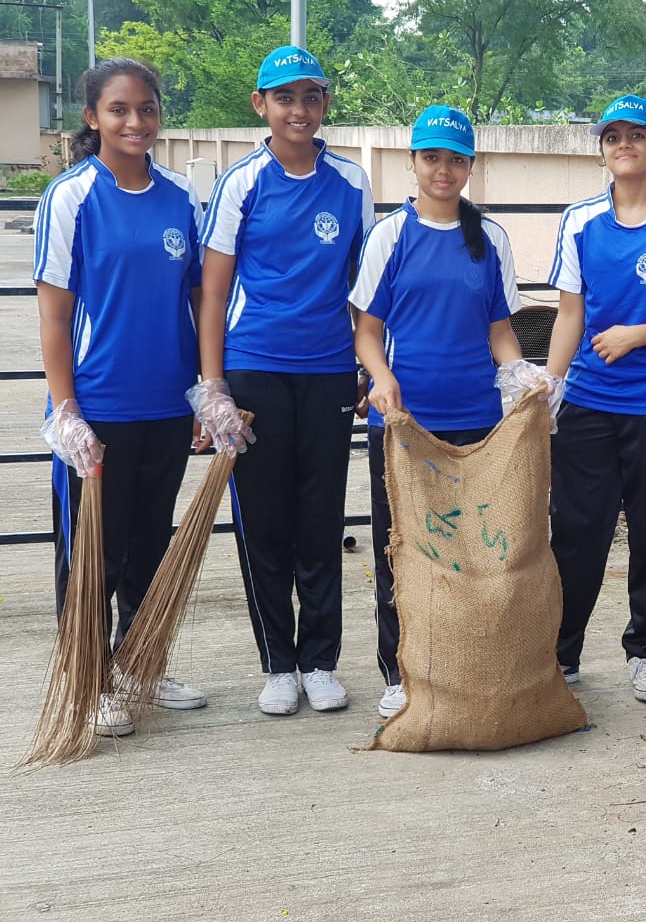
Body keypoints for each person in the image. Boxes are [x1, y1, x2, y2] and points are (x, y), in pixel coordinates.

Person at [190, 46, 374, 716]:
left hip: (328, 372)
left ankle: (320, 662)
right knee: (264, 522)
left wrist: (368, 363)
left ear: (324, 104)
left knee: (321, 518)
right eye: (284, 97)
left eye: (311, 97)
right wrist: (212, 388)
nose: (299, 110)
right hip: (255, 370)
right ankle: (278, 664)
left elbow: (364, 290)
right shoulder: (242, 183)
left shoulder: (351, 182)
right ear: (260, 105)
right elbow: (213, 293)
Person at [33, 58, 207, 736]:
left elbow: (199, 299)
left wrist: (205, 392)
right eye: (119, 109)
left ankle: (139, 667)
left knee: (148, 546)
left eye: (147, 109)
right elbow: (53, 318)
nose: (136, 121)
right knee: (92, 557)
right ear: (92, 117)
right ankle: (90, 679)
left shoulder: (180, 197)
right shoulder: (72, 196)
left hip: (165, 407)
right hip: (98, 410)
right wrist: (67, 412)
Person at [349, 105, 524, 718]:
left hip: (476, 421)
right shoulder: (389, 235)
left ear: (470, 165)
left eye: (455, 159)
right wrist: (382, 379)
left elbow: (501, 331)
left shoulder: (491, 238)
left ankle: (467, 667)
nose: (443, 170)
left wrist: (520, 378)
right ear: (413, 162)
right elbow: (366, 330)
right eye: (431, 158)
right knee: (402, 549)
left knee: (472, 549)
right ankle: (401, 671)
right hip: (403, 422)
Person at [544, 95, 646, 703]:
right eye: (613, 136)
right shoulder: (580, 220)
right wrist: (549, 387)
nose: (624, 145)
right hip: (589, 401)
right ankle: (560, 653)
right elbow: (570, 312)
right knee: (577, 532)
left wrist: (637, 335)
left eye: (637, 135)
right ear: (602, 149)